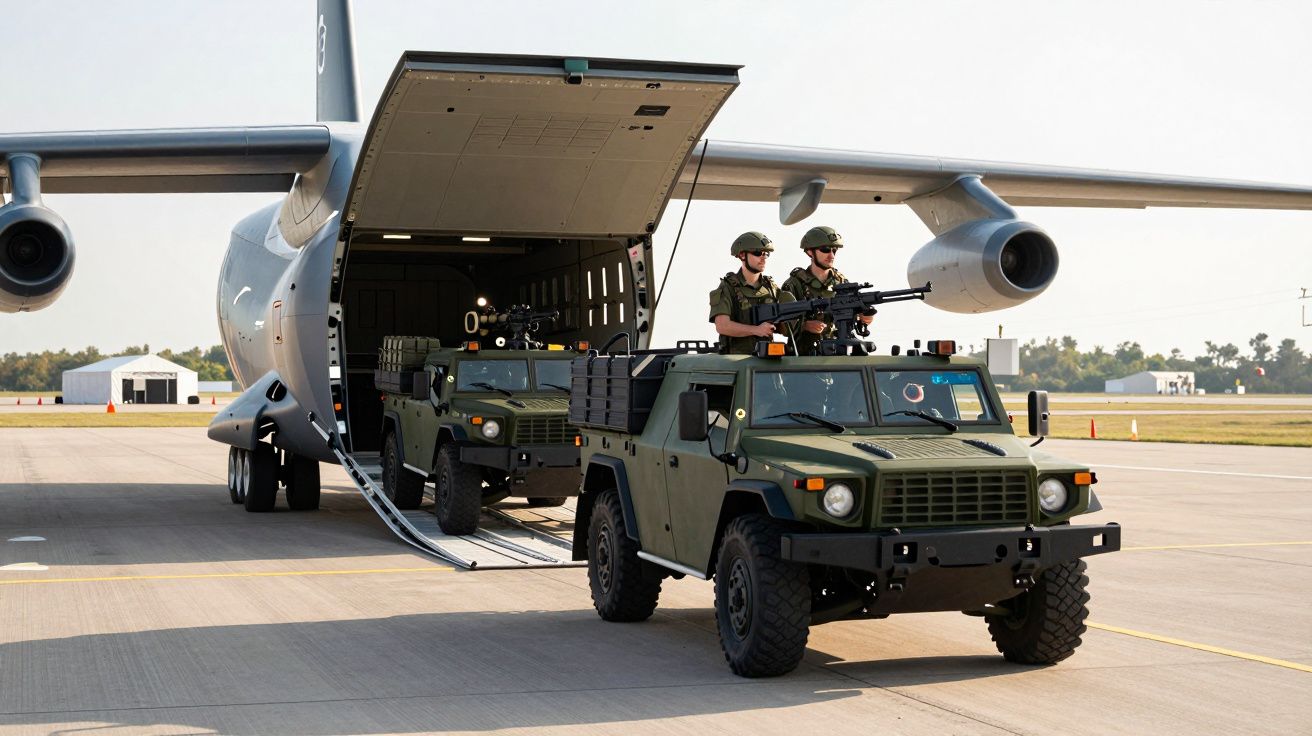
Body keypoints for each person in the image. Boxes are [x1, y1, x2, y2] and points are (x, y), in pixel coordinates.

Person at [781, 225, 874, 355]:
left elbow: (851, 317)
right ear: (809, 252)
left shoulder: (842, 283)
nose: (831, 255)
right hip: (803, 358)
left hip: (838, 354)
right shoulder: (794, 284)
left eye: (834, 250)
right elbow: (781, 325)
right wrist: (805, 325)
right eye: (825, 250)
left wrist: (863, 318)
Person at [709, 232, 796, 354]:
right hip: (736, 361)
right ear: (742, 255)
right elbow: (722, 325)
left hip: (766, 359)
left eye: (766, 254)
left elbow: (787, 328)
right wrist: (756, 330)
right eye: (757, 253)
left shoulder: (770, 287)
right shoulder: (728, 287)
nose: (763, 257)